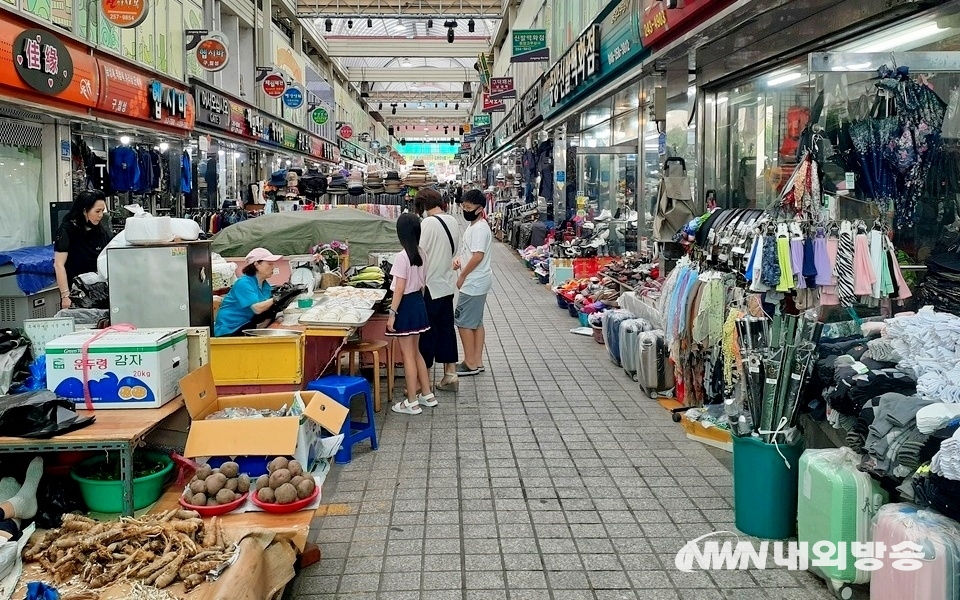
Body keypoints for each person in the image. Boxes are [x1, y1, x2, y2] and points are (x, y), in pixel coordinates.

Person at [386, 214, 435, 415]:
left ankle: (412, 402)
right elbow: (422, 283)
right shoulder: (422, 253)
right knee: (417, 352)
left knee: (407, 355)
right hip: (418, 302)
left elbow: (399, 288)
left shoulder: (401, 256)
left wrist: (392, 313)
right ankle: (427, 394)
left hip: (405, 305)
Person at [416, 188, 461, 392]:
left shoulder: (428, 223)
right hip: (446, 283)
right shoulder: (452, 220)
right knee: (446, 329)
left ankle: (420, 382)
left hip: (430, 285)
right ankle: (450, 374)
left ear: (423, 205)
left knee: (427, 332)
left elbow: (419, 253)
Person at [454, 189, 493, 376]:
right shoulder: (476, 225)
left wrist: (462, 275)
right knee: (476, 322)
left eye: (468, 207)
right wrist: (460, 260)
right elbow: (472, 253)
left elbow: (478, 256)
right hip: (479, 280)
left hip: (473, 282)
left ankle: (469, 362)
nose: (465, 210)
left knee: (463, 321)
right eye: (463, 206)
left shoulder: (479, 228)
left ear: (479, 209)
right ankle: (477, 360)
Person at [54, 191, 110, 310]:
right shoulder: (67, 230)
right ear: (85, 211)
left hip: (100, 293)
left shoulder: (101, 232)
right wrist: (65, 295)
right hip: (75, 293)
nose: (101, 215)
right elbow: (59, 264)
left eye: (102, 211)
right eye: (97, 211)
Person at [213, 248, 283, 337]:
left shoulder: (265, 285)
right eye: (269, 264)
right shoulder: (244, 283)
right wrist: (276, 299)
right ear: (257, 264)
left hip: (245, 325)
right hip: (229, 330)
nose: (272, 267)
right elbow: (257, 309)